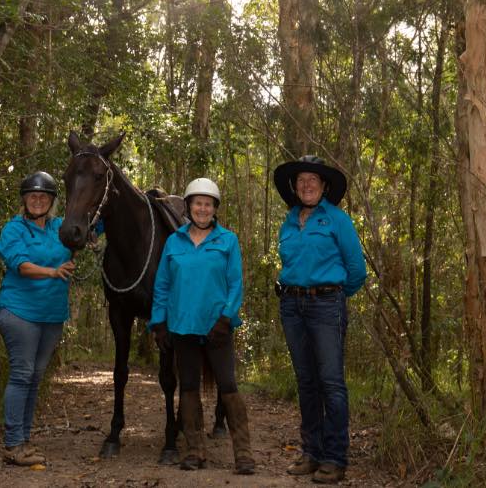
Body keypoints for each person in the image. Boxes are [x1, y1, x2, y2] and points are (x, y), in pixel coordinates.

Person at [148, 178, 255, 475]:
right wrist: (159, 324)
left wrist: (226, 317)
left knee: (229, 386)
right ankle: (195, 451)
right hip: (182, 327)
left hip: (217, 328)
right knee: (190, 387)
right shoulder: (174, 242)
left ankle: (244, 454)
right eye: (198, 203)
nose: (203, 208)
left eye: (208, 204)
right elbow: (163, 285)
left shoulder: (227, 241)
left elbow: (235, 284)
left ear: (215, 208)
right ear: (189, 207)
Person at [272, 155, 367, 485]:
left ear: (324, 186)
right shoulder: (288, 222)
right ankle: (311, 452)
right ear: (294, 187)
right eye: (301, 180)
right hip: (291, 307)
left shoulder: (337, 220)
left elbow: (357, 271)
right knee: (306, 382)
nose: (307, 184)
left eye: (313, 179)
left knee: (330, 382)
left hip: (327, 306)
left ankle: (335, 457)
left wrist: (333, 296)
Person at [0, 171, 75, 466]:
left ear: (52, 200)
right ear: (25, 200)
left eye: (44, 196)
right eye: (32, 196)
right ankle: (13, 443)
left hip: (52, 315)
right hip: (20, 312)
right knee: (22, 373)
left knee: (35, 378)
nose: (38, 200)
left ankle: (23, 441)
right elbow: (21, 266)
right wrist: (53, 272)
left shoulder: (60, 227)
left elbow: (93, 224)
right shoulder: (14, 229)